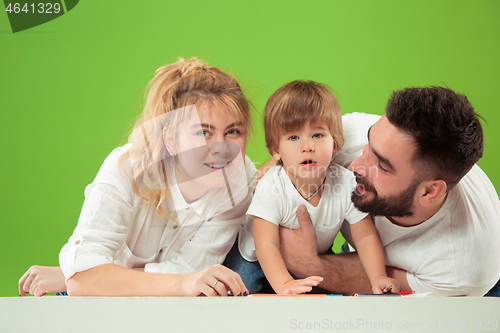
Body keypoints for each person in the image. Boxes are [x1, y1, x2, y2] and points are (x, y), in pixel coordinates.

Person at [19, 57, 257, 297]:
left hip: (141, 291)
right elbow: (83, 282)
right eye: (203, 132)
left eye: (233, 131)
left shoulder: (241, 177)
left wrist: (87, 274)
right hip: (105, 295)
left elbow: (191, 270)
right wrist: (84, 275)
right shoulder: (127, 166)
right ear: (170, 140)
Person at [277, 87, 500, 296]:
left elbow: (379, 284)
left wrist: (307, 263)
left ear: (429, 192)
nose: (356, 165)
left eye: (382, 166)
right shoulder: (347, 136)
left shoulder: (460, 266)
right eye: (368, 143)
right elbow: (282, 160)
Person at [229, 80, 399, 294]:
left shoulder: (346, 183)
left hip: (314, 250)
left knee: (320, 295)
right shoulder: (271, 187)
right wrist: (283, 285)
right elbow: (267, 245)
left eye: (317, 135)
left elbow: (365, 236)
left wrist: (378, 277)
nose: (307, 146)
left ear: (335, 144)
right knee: (243, 290)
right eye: (293, 137)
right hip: (255, 254)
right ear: (276, 150)